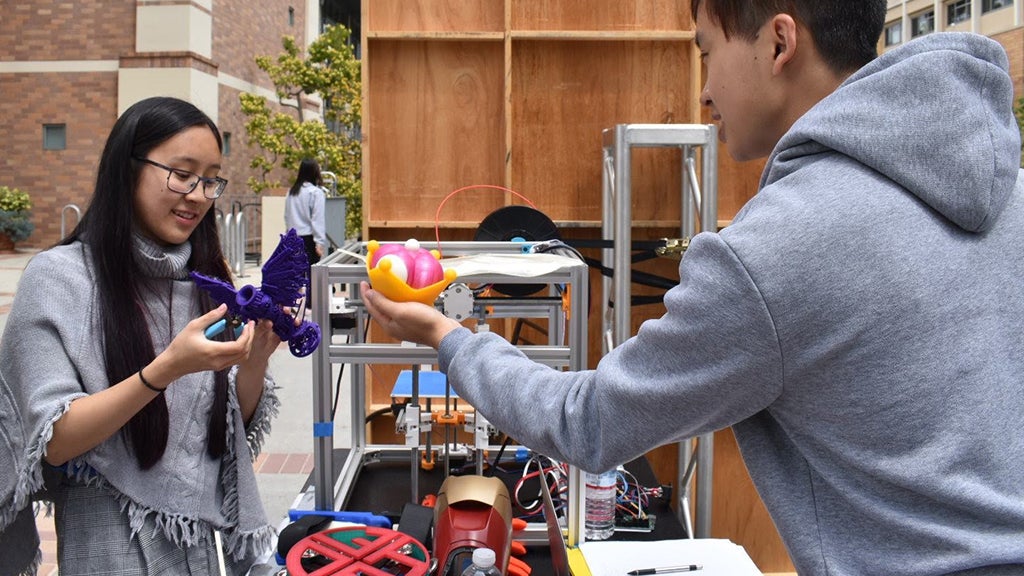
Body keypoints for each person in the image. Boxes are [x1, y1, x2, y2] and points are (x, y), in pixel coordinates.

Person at [359, 1, 1024, 574]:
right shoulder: (1010, 194)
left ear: (779, 43)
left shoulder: (776, 251)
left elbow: (587, 422)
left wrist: (442, 335)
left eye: (707, 51)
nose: (705, 92)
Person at [0, 96, 283, 575]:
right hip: (104, 551)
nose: (197, 194)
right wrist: (166, 368)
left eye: (211, 179)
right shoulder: (58, 279)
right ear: (127, 169)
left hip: (199, 554)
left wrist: (254, 361)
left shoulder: (206, 278)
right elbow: (53, 439)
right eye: (181, 173)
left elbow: (226, 422)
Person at [285, 157, 328, 296]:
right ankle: (311, 308)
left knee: (295, 276)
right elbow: (317, 219)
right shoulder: (315, 193)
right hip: (308, 238)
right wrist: (320, 242)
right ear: (315, 172)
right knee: (312, 277)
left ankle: (294, 309)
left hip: (292, 237)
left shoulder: (291, 192)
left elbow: (287, 216)